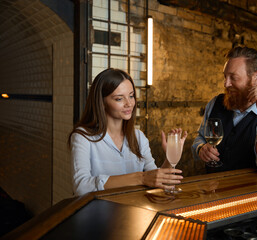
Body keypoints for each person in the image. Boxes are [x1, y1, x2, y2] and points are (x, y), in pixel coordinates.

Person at [68, 68, 187, 196]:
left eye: (131, 96)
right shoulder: (83, 137)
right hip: (100, 213)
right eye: (119, 99)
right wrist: (140, 178)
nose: (129, 103)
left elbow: (153, 178)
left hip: (135, 211)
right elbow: (81, 186)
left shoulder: (139, 137)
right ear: (101, 102)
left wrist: (170, 158)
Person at [192, 46, 257, 175]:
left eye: (233, 77)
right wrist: (201, 148)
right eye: (225, 77)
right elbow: (200, 137)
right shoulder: (214, 103)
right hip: (213, 189)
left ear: (256, 77)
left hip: (252, 192)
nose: (226, 84)